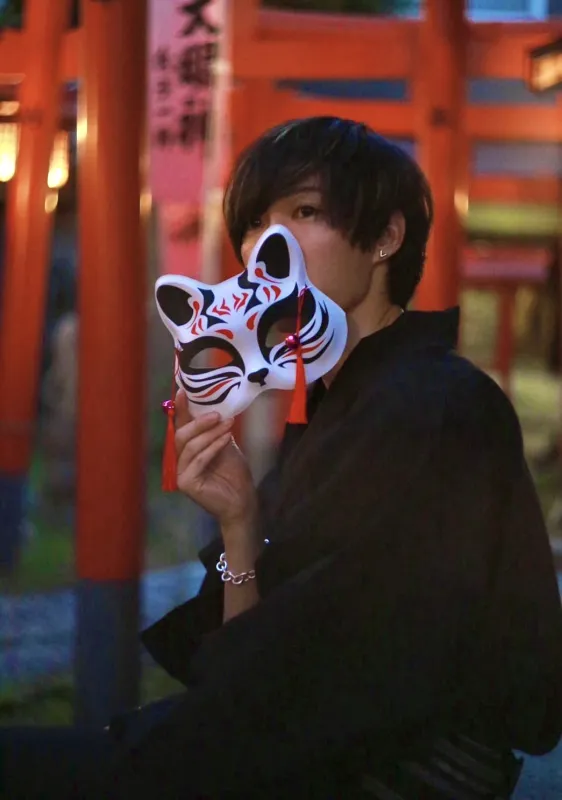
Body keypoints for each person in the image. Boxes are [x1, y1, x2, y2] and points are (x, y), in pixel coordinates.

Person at [2, 117, 562, 799]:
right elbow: (253, 667)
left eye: (303, 213)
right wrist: (240, 523)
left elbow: (309, 670)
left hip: (392, 771)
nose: (269, 244)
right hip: (307, 745)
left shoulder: (436, 405)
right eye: (254, 225)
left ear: (385, 237)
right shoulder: (340, 404)